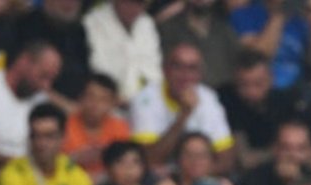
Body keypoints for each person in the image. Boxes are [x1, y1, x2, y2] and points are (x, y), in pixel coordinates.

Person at [131, 43, 233, 172]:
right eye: (177, 67)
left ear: (200, 75)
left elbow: (226, 160)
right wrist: (184, 114)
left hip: (195, 176)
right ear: (165, 70)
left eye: (192, 68)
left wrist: (191, 174)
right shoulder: (146, 99)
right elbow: (148, 160)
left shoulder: (208, 98)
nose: (185, 75)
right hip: (157, 178)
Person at [0, 40, 62, 160]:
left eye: (51, 80)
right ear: (24, 62)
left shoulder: (41, 103)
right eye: (43, 76)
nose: (46, 86)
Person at [83, 0, 162, 102]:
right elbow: (98, 67)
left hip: (145, 100)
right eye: (129, 2)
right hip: (106, 101)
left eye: (140, 3)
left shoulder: (146, 24)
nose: (134, 8)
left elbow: (154, 68)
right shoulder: (92, 22)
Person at [157, 0, 242, 90]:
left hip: (223, 93)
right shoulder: (168, 29)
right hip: (181, 92)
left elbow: (237, 66)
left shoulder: (226, 29)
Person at [62, 73, 133, 180]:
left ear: (113, 104)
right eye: (91, 97)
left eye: (103, 100)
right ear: (80, 98)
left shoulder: (120, 128)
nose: (95, 104)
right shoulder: (63, 126)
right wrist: (74, 159)